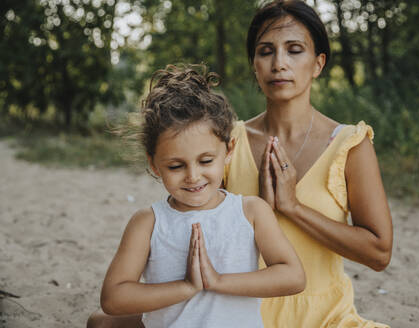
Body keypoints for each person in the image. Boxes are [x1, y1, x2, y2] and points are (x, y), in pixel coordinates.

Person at [90, 64, 305, 328]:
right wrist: (187, 287)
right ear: (154, 164)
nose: (193, 176)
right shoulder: (148, 222)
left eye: (205, 161)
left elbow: (293, 276)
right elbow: (113, 299)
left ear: (228, 150)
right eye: (176, 166)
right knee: (99, 322)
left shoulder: (250, 211)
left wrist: (217, 281)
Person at [223, 1, 393, 327]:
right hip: (239, 315)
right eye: (266, 51)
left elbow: (379, 253)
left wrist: (293, 208)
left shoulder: (350, 145)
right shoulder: (228, 141)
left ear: (318, 64)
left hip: (325, 318)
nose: (279, 63)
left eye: (295, 50)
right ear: (254, 65)